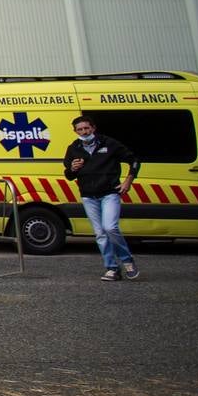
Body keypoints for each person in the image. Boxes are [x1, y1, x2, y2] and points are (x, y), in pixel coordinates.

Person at [63, 115, 141, 281]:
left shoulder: (108, 143)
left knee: (110, 227)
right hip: (88, 195)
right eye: (80, 129)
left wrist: (128, 180)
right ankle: (112, 268)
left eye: (86, 128)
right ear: (75, 131)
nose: (84, 132)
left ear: (93, 128)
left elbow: (133, 160)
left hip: (109, 193)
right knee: (100, 233)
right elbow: (68, 175)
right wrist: (72, 168)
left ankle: (128, 261)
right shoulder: (73, 148)